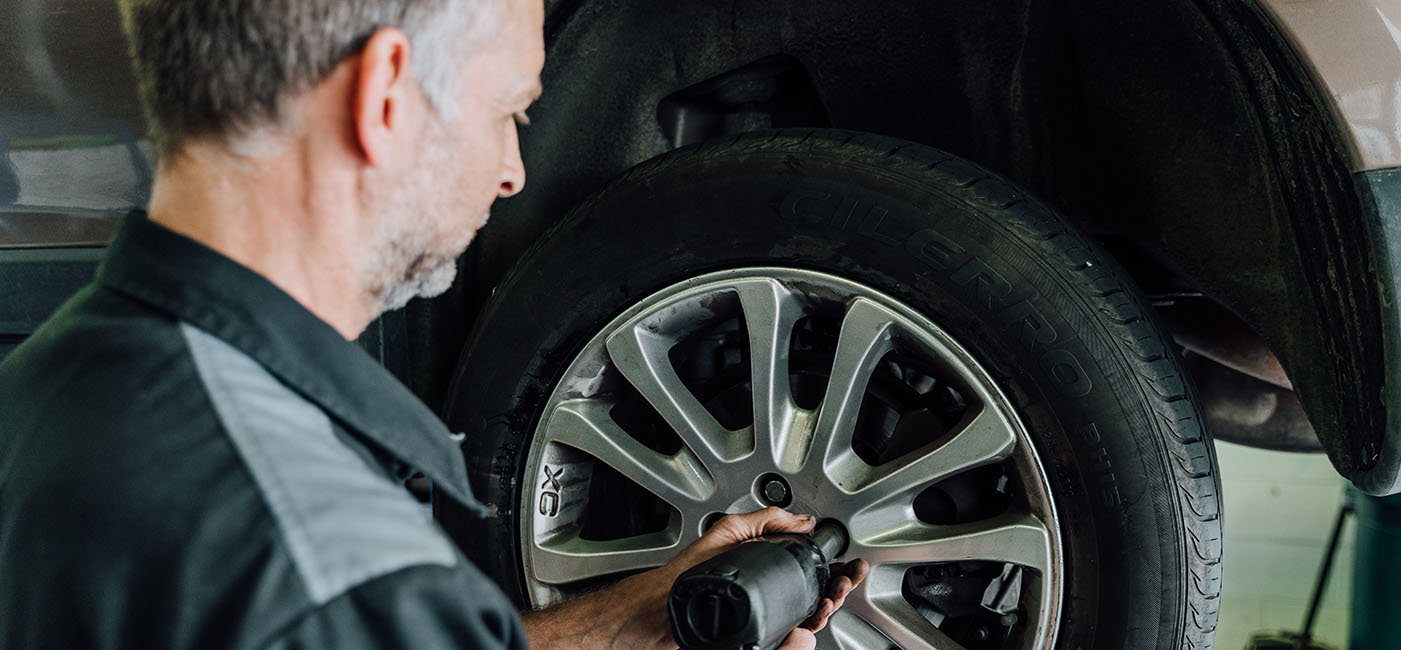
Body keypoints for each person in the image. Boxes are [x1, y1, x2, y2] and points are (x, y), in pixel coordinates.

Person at [0, 0, 865, 648]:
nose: (513, 173)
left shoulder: (50, 389)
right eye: (508, 114)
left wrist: (643, 618)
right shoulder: (322, 561)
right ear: (382, 98)